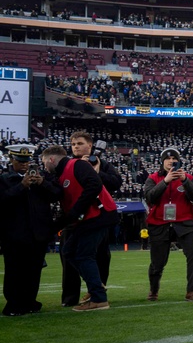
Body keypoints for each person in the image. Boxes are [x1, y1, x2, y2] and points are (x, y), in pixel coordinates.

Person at [41, 145, 118, 312]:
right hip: (89, 218)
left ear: (52, 159)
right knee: (69, 251)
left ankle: (98, 297)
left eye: (45, 163)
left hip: (99, 215)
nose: (45, 167)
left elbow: (94, 185)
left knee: (83, 255)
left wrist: (77, 211)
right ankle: (96, 287)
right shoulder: (62, 175)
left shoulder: (76, 165)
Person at [64, 131, 121, 306]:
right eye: (73, 144)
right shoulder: (68, 164)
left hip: (98, 215)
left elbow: (116, 182)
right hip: (75, 216)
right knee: (70, 255)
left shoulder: (102, 164)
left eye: (79, 143)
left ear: (90, 145)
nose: (76, 147)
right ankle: (70, 297)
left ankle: (96, 289)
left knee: (102, 255)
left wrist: (97, 173)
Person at [1, 145, 58, 316]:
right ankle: (13, 304)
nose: (24, 165)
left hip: (38, 233)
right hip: (14, 234)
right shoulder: (4, 179)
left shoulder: (42, 178)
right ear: (11, 161)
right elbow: (2, 200)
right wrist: (21, 186)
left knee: (34, 270)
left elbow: (57, 194)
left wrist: (42, 183)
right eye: (20, 161)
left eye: (27, 162)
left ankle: (30, 301)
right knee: (14, 270)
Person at [144, 148, 193, 302]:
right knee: (158, 262)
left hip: (183, 222)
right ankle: (154, 289)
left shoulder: (188, 177)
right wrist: (165, 181)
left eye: (174, 159)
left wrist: (185, 181)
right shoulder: (153, 178)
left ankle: (192, 290)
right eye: (168, 158)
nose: (171, 161)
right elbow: (150, 197)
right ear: (162, 161)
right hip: (159, 223)